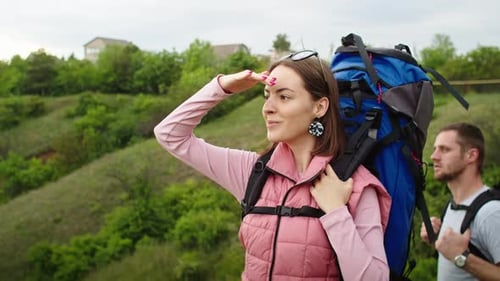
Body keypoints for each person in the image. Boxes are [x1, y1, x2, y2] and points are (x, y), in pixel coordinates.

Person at [154, 50, 391, 281]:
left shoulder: (355, 185)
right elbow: (169, 134)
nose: (267, 107)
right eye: (267, 94)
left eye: (284, 96)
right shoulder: (253, 172)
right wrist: (223, 86)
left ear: (319, 107)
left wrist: (337, 213)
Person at [420, 122, 500, 281]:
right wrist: (437, 241)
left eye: (445, 149)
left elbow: (459, 256)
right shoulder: (453, 206)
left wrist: (462, 257)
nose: (434, 156)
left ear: (471, 155)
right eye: (435, 149)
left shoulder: (491, 213)